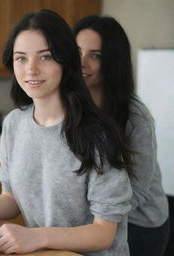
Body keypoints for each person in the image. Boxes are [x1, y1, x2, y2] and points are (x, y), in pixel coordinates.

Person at [0, 10, 133, 256]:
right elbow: (11, 199)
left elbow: (103, 233)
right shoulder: (14, 124)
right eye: (21, 58)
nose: (31, 70)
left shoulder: (99, 133)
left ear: (66, 61)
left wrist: (36, 236)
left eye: (45, 57)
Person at [73, 15, 170, 256]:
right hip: (94, 223)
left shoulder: (136, 118)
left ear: (113, 61)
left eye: (95, 55)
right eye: (77, 52)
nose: (81, 62)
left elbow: (138, 190)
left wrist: (95, 216)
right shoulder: (71, 107)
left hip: (140, 224)